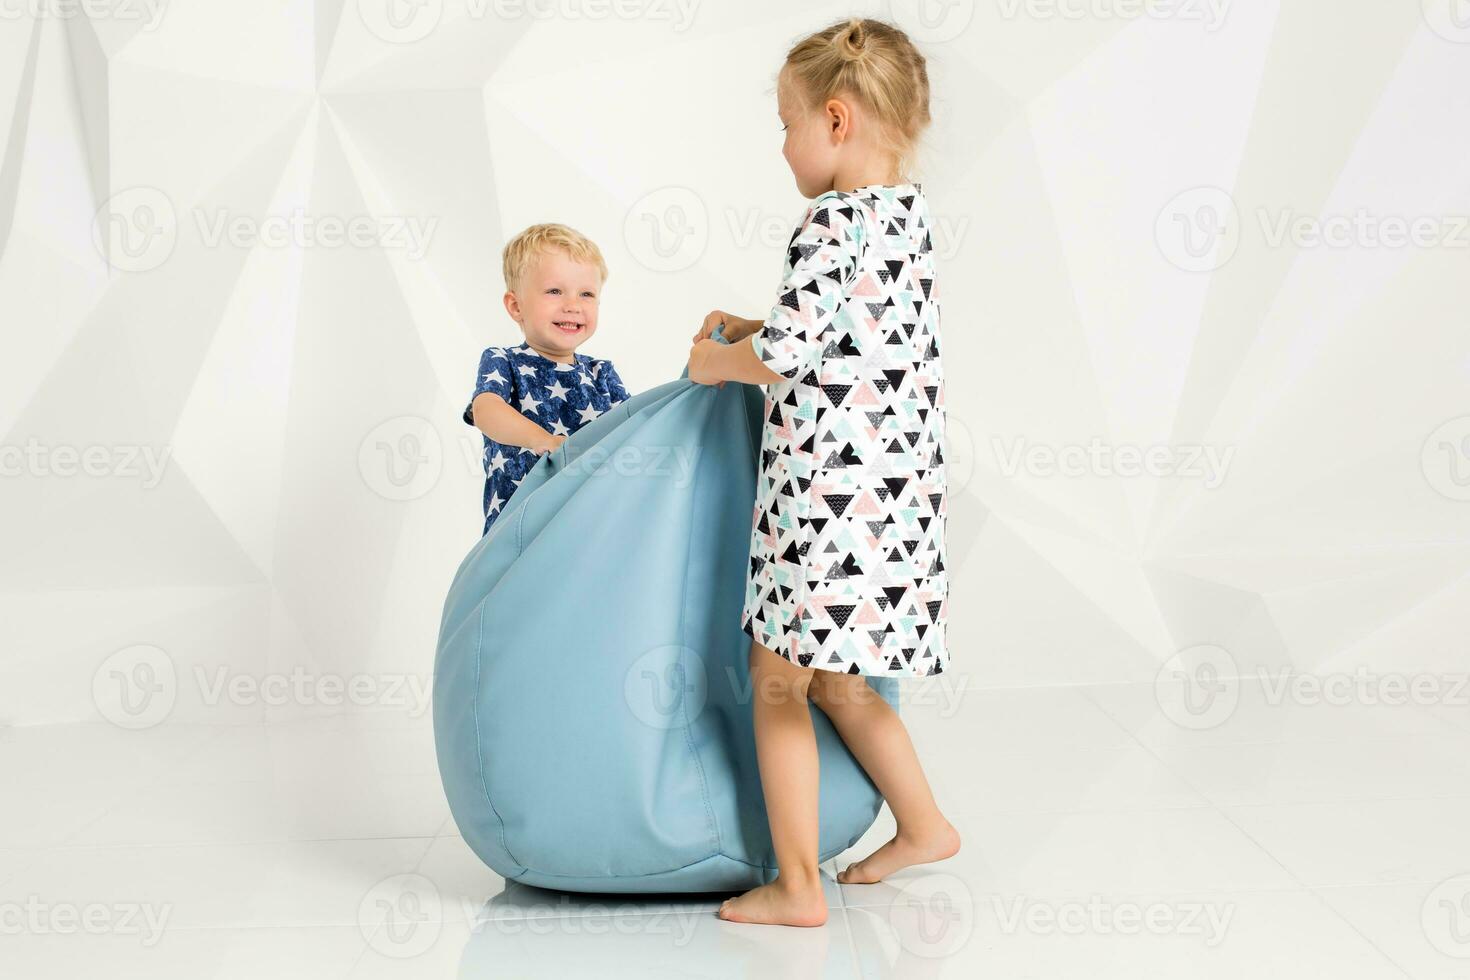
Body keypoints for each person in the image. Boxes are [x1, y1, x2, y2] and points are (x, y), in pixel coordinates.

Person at [685, 16, 958, 927]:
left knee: (775, 682)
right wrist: (755, 323)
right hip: (894, 504)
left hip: (825, 502)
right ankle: (923, 825)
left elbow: (791, 353)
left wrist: (718, 360)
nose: (784, 144)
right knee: (839, 680)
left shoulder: (830, 220)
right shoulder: (904, 217)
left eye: (787, 123)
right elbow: (848, 336)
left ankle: (799, 886)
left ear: (835, 121)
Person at [466, 223, 630, 536]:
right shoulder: (504, 361)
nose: (573, 305)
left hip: (591, 528)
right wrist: (546, 442)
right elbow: (486, 411)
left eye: (586, 294)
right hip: (521, 533)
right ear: (516, 306)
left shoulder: (601, 373)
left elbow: (636, 428)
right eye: (555, 291)